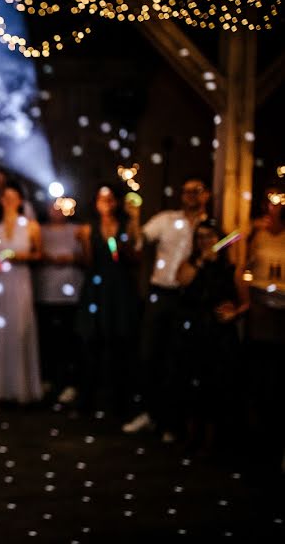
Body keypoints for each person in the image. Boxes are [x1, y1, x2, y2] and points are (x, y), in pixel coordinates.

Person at [124, 177, 210, 439]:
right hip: (161, 293)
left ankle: (173, 422)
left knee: (180, 360)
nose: (190, 195)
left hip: (192, 299)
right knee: (149, 354)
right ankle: (149, 413)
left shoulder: (209, 226)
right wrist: (133, 218)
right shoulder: (166, 219)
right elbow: (137, 241)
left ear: (206, 195)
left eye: (196, 191)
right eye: (186, 191)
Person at [175, 219, 247, 456]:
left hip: (219, 336)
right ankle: (190, 436)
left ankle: (211, 441)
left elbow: (245, 302)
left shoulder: (231, 268)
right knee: (190, 384)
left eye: (210, 236)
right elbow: (182, 280)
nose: (205, 241)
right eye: (201, 237)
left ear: (219, 239)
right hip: (194, 332)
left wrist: (234, 313)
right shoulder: (192, 263)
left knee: (216, 387)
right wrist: (199, 262)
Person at [76, 185, 141, 416]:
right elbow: (86, 261)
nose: (106, 203)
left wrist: (125, 250)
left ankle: (119, 401)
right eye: (102, 199)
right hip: (96, 287)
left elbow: (137, 258)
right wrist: (83, 243)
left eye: (110, 199)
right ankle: (88, 399)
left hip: (119, 288)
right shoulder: (88, 228)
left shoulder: (128, 225)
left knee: (119, 343)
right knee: (91, 341)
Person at [0, 181, 43, 403]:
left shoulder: (31, 226)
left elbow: (38, 254)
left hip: (20, 280)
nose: (9, 202)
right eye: (5, 198)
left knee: (18, 329)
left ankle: (19, 387)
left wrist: (17, 256)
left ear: (21, 201)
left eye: (13, 198)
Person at [243, 182, 285, 474]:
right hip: (258, 313)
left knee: (277, 383)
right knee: (257, 381)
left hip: (282, 317)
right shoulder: (255, 234)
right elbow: (241, 269)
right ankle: (256, 448)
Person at [35, 200, 86, 403]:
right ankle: (47, 380)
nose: (56, 210)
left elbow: (87, 256)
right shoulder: (39, 230)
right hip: (45, 291)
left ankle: (69, 382)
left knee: (69, 340)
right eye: (52, 206)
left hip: (71, 294)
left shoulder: (79, 229)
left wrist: (72, 258)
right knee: (46, 339)